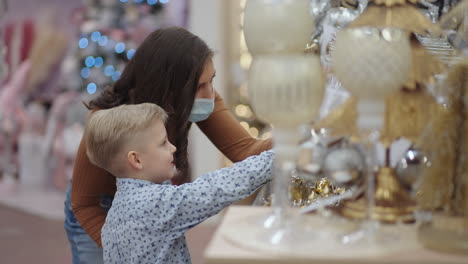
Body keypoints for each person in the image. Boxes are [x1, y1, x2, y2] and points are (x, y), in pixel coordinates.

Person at [64, 27, 272, 263]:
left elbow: (246, 151)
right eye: (198, 86)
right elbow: (84, 203)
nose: (209, 95)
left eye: (211, 81)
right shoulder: (109, 121)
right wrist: (126, 247)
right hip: (99, 210)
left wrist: (295, 134)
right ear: (168, 86)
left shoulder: (201, 98)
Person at [84, 103, 273, 264]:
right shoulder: (154, 204)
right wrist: (276, 157)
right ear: (137, 160)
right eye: (163, 143)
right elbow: (215, 189)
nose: (172, 148)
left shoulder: (113, 217)